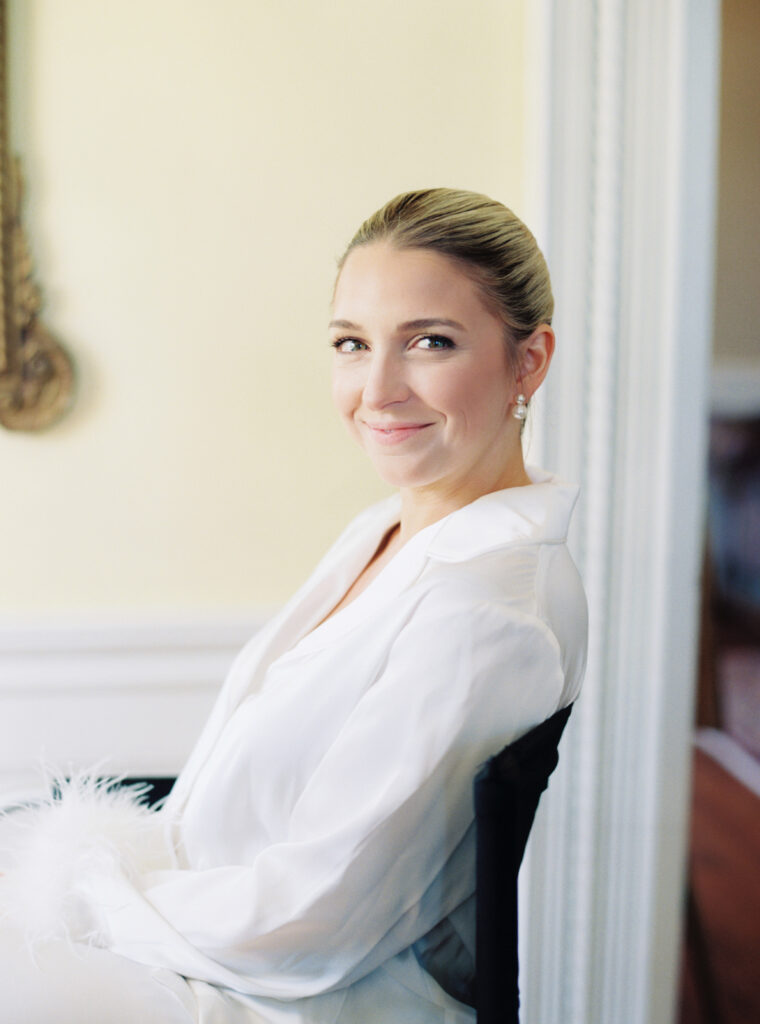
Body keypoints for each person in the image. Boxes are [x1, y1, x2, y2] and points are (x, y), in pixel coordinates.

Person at [0, 188, 587, 1023]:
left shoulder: (486, 614)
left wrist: (89, 891)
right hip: (200, 935)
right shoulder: (390, 528)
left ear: (527, 361)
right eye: (352, 343)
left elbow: (308, 924)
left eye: (429, 342)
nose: (376, 390)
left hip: (283, 998)